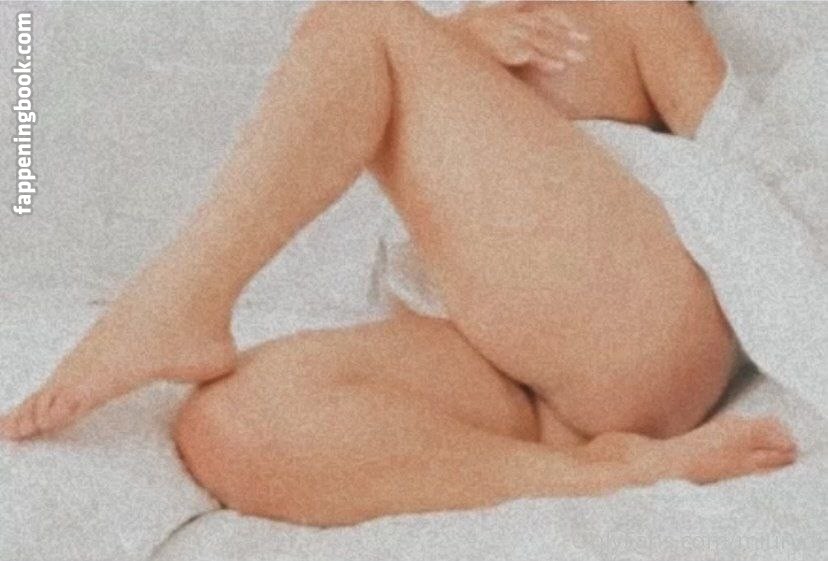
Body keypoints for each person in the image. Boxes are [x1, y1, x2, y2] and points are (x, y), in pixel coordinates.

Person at [0, 1, 796, 526]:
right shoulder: (467, 28)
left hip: (637, 325)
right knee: (231, 427)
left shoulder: (642, 9)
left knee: (358, 23)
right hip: (509, 364)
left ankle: (176, 302)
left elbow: (753, 176)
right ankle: (598, 472)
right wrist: (457, 44)